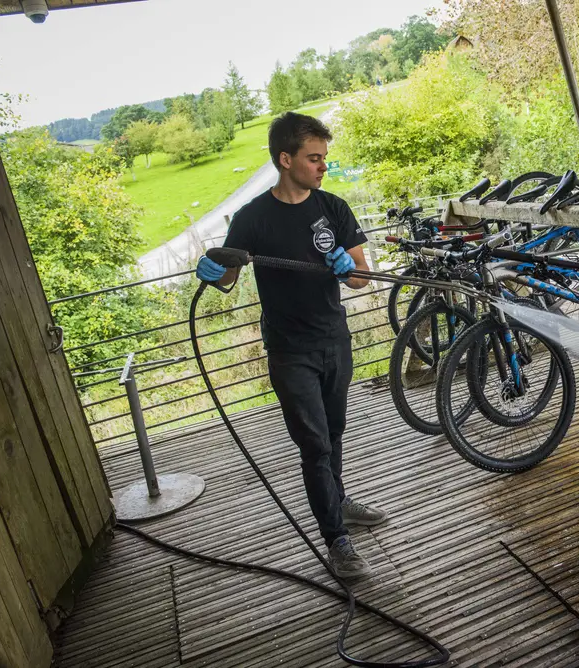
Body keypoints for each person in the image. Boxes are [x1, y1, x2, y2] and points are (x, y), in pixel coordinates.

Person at [195, 112, 387, 579]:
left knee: (334, 434)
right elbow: (228, 277)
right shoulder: (252, 218)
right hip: (289, 349)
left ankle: (338, 502)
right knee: (315, 445)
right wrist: (214, 269)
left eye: (324, 158)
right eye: (314, 158)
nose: (323, 167)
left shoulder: (334, 208)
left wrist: (349, 267)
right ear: (286, 159)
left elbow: (362, 277)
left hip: (334, 340)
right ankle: (336, 539)